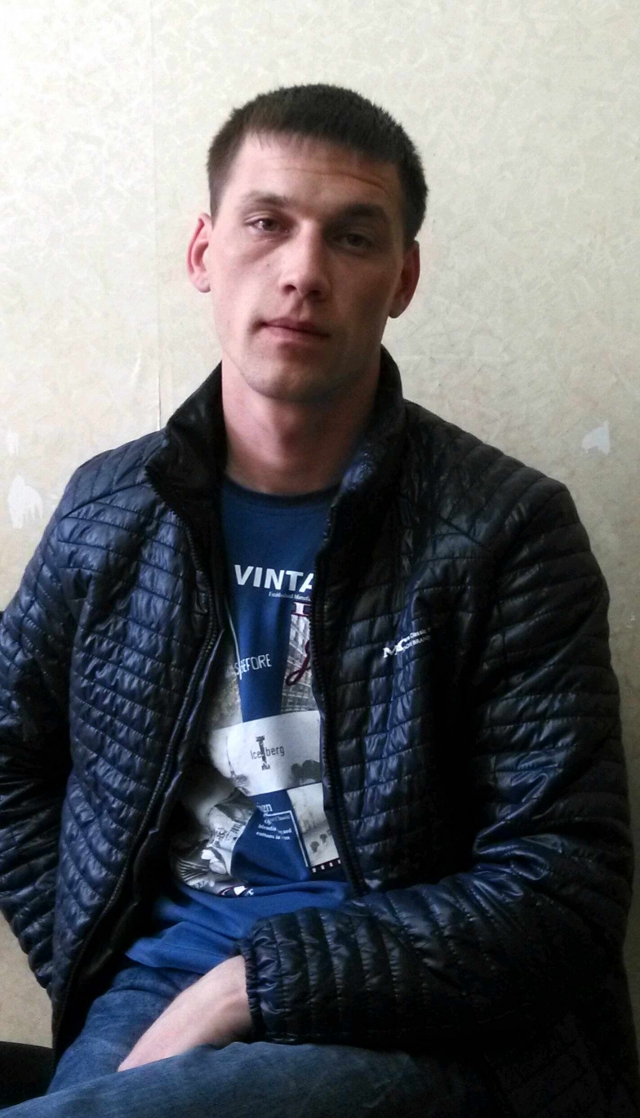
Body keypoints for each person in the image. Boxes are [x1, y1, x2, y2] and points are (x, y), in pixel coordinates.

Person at [0, 83, 637, 1118]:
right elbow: (8, 751)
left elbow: (563, 879)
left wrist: (250, 984)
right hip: (158, 982)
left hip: (416, 1017)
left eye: (352, 236)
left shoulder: (505, 531)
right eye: (266, 223)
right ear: (204, 251)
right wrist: (91, 942)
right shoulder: (109, 511)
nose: (302, 271)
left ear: (403, 278)